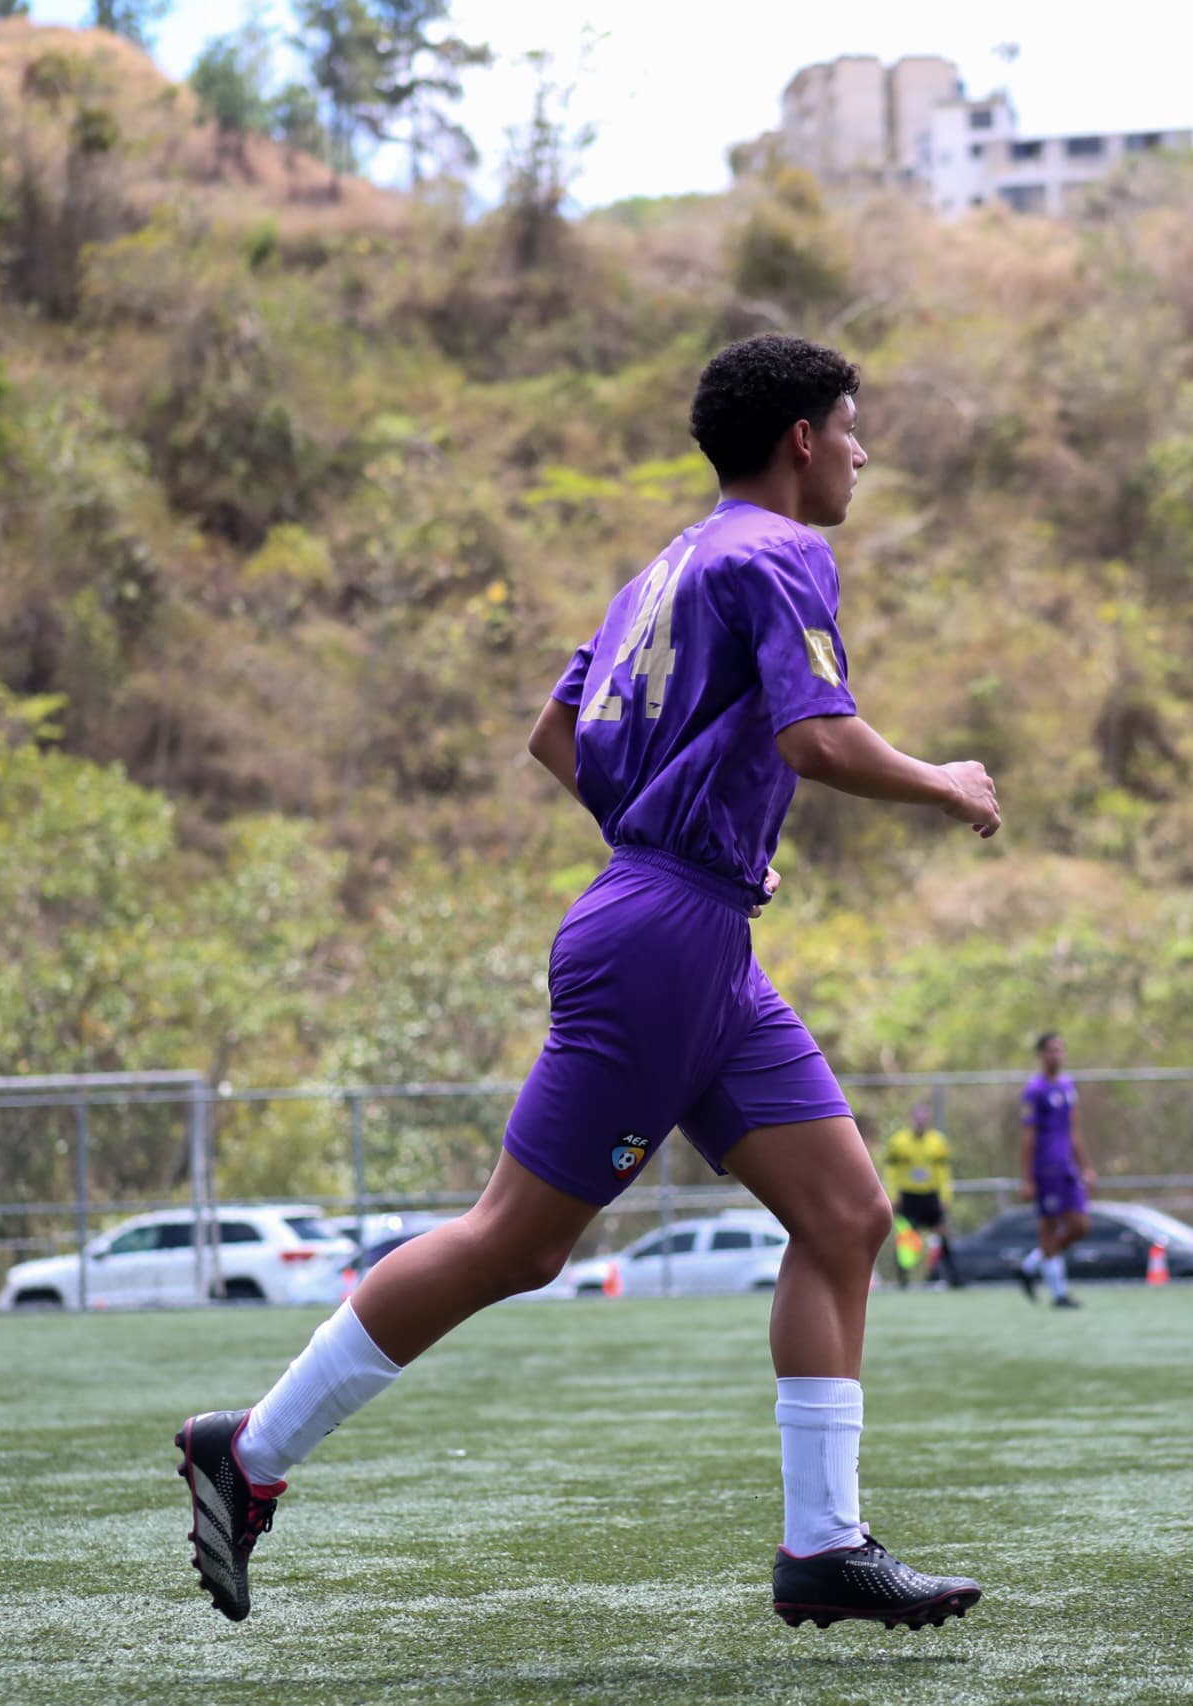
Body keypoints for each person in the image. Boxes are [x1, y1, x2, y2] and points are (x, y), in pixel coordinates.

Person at [174, 335, 1002, 1631]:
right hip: (667, 937)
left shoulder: (661, 571)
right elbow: (815, 734)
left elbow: (555, 731)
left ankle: (823, 1548)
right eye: (850, 426)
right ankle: (253, 1450)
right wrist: (944, 781)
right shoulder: (783, 551)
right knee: (519, 1239)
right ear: (799, 436)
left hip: (697, 932)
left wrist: (681, 835)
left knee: (845, 1218)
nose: (860, 450)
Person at [1015, 1032, 1096, 1309]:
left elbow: (1074, 1131)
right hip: (1045, 1168)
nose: (1057, 1055)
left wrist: (1086, 1166)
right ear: (1041, 1055)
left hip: (1067, 1168)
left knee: (1080, 1226)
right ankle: (1059, 1295)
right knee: (1048, 1228)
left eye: (1061, 1049)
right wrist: (1027, 1178)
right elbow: (1028, 1136)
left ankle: (1030, 1266)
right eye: (1052, 1050)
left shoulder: (1067, 1086)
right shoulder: (1034, 1090)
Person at [878, 1103, 957, 1289]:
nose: (921, 1122)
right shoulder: (899, 1142)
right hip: (908, 1197)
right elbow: (891, 1171)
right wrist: (892, 1195)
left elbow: (943, 1172)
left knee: (943, 1234)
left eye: (924, 1118)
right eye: (917, 1118)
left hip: (930, 1196)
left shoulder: (937, 1142)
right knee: (905, 1240)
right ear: (911, 1119)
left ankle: (954, 1278)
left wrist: (945, 1196)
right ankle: (902, 1281)